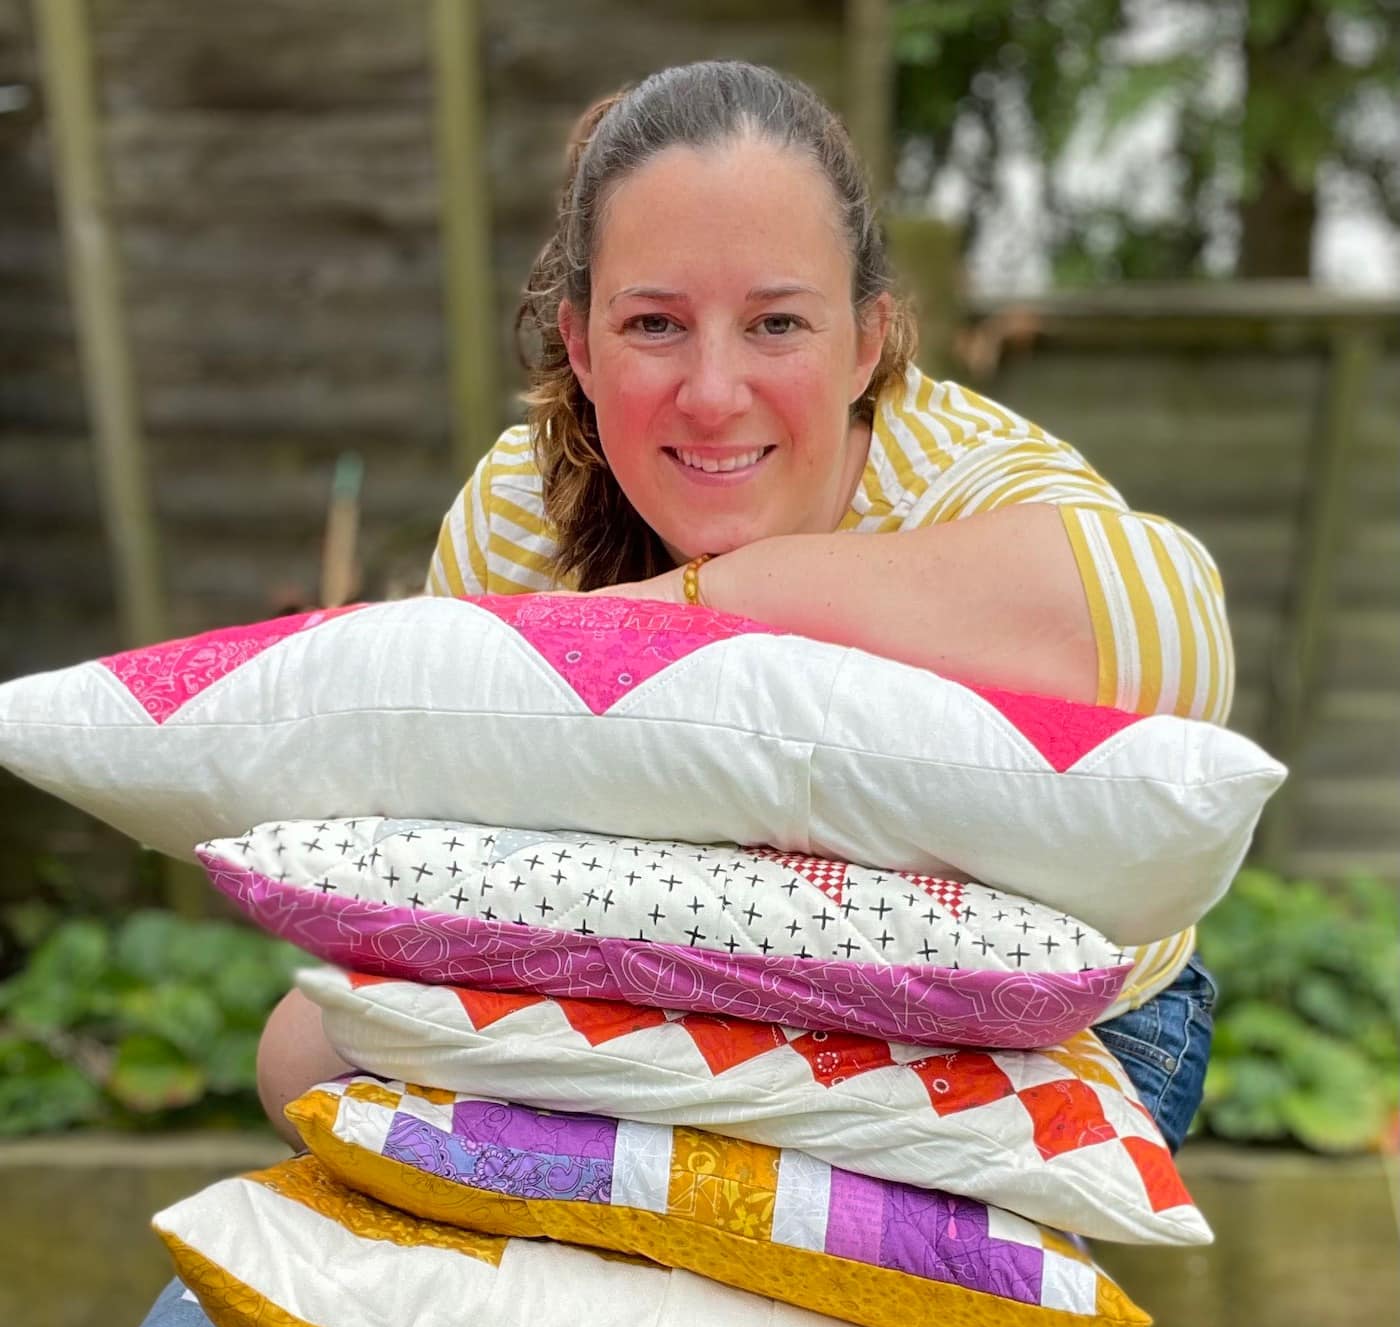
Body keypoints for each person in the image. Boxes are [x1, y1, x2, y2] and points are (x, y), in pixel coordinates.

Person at [258, 59, 1222, 1148]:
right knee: (301, 1058)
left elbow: (1165, 634)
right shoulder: (520, 515)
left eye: (775, 325)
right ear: (578, 343)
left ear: (864, 343)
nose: (713, 396)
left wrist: (684, 608)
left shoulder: (964, 487)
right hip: (644, 996)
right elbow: (427, 853)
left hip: (1021, 1039)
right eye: (655, 326)